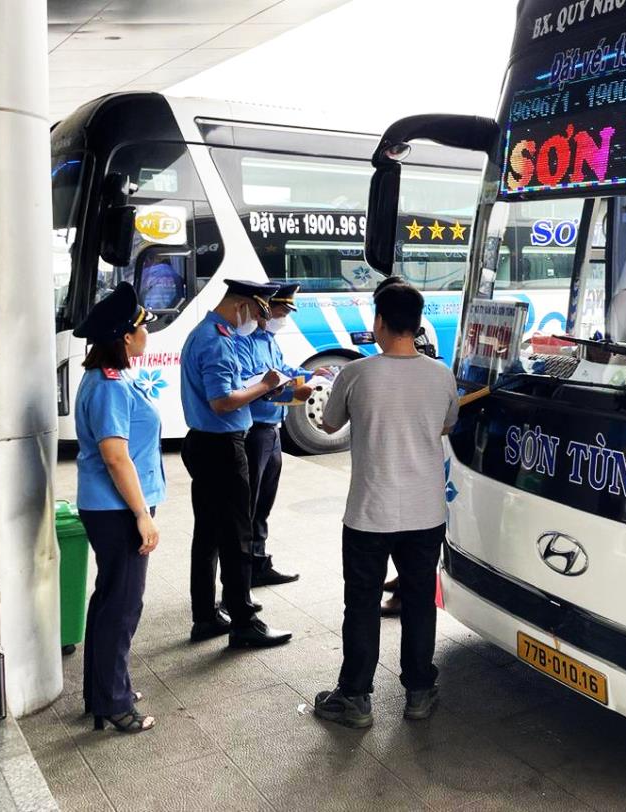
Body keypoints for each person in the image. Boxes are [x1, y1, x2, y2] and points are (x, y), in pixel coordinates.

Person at [314, 277, 458, 728]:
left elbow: (328, 423)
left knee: (361, 604)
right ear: (416, 324)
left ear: (379, 321)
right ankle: (419, 691)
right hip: (425, 512)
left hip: (369, 513)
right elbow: (446, 424)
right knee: (418, 601)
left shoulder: (356, 373)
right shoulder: (441, 374)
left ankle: (355, 697)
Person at [180, 278, 293, 648]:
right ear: (242, 305)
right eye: (258, 312)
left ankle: (205, 616)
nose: (259, 321)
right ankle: (244, 621)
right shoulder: (218, 341)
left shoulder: (204, 332)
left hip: (203, 443)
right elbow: (223, 401)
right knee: (236, 535)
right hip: (222, 447)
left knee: (208, 533)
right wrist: (265, 385)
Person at [73, 283, 164, 734]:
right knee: (123, 605)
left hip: (112, 506)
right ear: (126, 337)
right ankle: (113, 703)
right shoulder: (108, 385)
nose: (148, 333)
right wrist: (141, 515)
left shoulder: (112, 376)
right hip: (117, 510)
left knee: (110, 598)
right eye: (143, 327)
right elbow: (115, 455)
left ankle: (103, 689)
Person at [234, 283, 332, 586]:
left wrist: (310, 374)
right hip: (255, 431)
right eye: (281, 311)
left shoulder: (269, 341)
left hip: (272, 431)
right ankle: (242, 573)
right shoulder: (245, 343)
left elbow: (282, 370)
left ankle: (259, 562)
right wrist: (294, 393)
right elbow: (254, 386)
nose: (284, 318)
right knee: (248, 507)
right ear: (266, 309)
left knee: (263, 503)